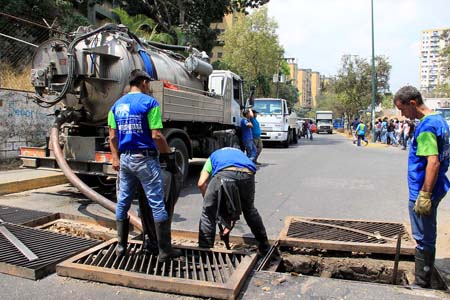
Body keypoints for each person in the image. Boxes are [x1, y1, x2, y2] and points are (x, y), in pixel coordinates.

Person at [108, 70, 182, 262]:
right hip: (145, 160)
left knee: (123, 202)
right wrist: (168, 155)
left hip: (125, 160)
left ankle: (121, 247)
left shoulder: (116, 106)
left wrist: (115, 158)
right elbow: (156, 135)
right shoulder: (150, 103)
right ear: (142, 82)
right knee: (157, 203)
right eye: (148, 83)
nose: (149, 87)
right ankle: (165, 251)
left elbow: (113, 136)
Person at [394, 85, 450, 288]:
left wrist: (424, 194)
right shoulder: (440, 121)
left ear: (413, 103)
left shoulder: (426, 127)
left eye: (402, 109)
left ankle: (421, 282)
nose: (402, 114)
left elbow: (433, 162)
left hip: (424, 190)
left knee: (422, 236)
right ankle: (424, 276)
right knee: (428, 233)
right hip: (438, 186)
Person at [197, 147, 271, 255]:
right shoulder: (241, 155)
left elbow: (201, 183)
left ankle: (205, 252)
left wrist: (209, 201)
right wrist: (229, 226)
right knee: (249, 210)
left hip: (223, 174)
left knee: (208, 213)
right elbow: (235, 204)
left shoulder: (212, 157)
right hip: (247, 174)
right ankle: (265, 246)